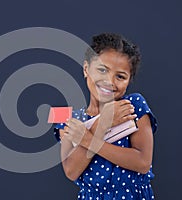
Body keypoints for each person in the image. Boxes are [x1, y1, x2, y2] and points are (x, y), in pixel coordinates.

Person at [54, 33, 158, 200]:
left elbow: (143, 163)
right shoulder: (67, 117)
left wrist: (88, 140)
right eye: (102, 70)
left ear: (129, 80)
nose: (109, 81)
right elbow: (72, 171)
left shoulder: (133, 105)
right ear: (86, 69)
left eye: (120, 76)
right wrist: (103, 122)